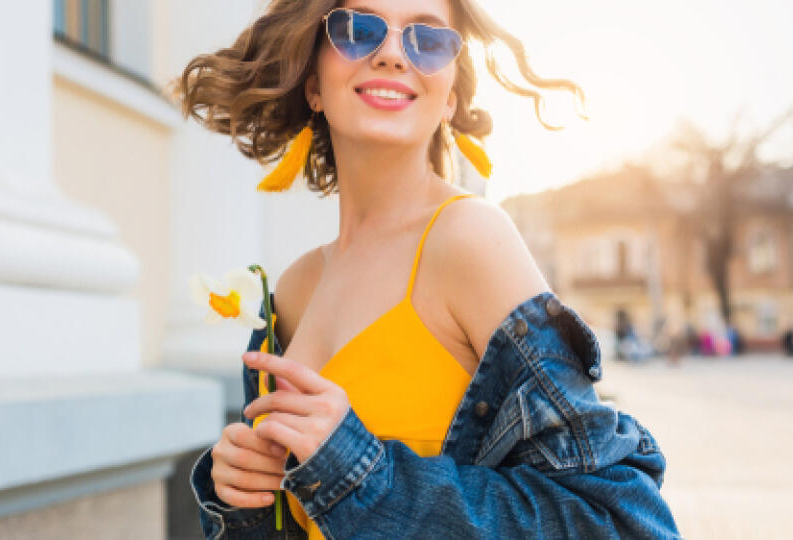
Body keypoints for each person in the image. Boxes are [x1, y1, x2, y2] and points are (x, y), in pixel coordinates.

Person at [176, 1, 680, 538]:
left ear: (451, 96)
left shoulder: (468, 240)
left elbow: (619, 519)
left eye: (429, 40)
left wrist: (355, 471)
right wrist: (244, 499)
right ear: (313, 84)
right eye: (356, 29)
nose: (392, 53)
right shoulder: (294, 288)